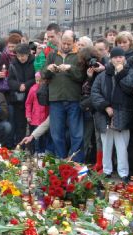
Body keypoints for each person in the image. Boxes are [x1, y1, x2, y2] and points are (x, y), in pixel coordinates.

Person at [91, 46, 133, 182]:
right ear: (111, 59)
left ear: (124, 58)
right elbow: (95, 93)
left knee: (122, 145)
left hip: (123, 113)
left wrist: (121, 73)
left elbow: (131, 88)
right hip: (105, 114)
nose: (118, 59)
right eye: (115, 57)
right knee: (106, 144)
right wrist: (105, 106)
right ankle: (107, 170)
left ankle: (123, 172)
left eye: (121, 57)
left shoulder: (130, 73)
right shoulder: (103, 75)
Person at [42, 33, 86, 161]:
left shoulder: (79, 56)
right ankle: (60, 160)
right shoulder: (52, 55)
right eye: (64, 43)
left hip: (73, 98)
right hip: (56, 99)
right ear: (60, 41)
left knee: (76, 133)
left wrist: (70, 68)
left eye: (69, 43)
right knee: (56, 133)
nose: (66, 46)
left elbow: (81, 77)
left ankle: (75, 161)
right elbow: (44, 74)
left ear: (74, 42)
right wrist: (49, 69)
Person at [8, 43, 36, 148]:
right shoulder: (13, 63)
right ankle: (20, 147)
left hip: (32, 97)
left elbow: (37, 78)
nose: (21, 58)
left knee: (33, 125)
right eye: (18, 56)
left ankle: (33, 147)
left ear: (28, 54)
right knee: (20, 125)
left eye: (23, 56)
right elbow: (10, 80)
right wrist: (18, 86)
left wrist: (26, 85)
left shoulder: (34, 62)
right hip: (19, 99)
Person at [24, 72, 49, 153]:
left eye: (40, 81)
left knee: (44, 137)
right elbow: (28, 103)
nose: (38, 83)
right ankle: (35, 152)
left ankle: (42, 152)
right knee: (35, 137)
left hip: (45, 117)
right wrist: (28, 115)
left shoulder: (46, 89)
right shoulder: (33, 89)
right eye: (37, 80)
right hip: (35, 118)